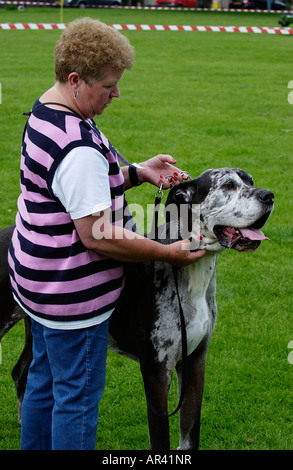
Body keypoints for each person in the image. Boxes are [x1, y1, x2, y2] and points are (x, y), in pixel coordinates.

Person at [8, 18, 206, 450]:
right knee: (76, 400)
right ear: (76, 80)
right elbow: (99, 235)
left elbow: (81, 184)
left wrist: (137, 172)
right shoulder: (76, 146)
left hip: (37, 283)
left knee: (43, 383)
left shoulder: (49, 111)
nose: (117, 94)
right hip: (70, 299)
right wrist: (168, 252)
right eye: (109, 85)